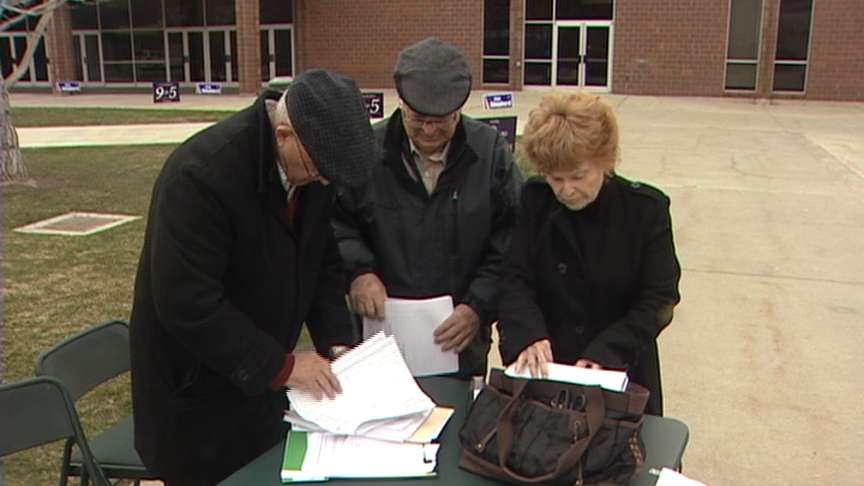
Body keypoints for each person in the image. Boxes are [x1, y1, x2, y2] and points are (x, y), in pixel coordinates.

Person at [129, 69, 378, 485]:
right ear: (283, 135)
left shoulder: (312, 164)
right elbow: (188, 303)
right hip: (195, 395)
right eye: (318, 168)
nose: (324, 180)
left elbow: (322, 262)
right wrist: (281, 366)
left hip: (256, 386)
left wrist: (337, 342)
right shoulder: (201, 177)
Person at [331, 37, 523, 377]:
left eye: (442, 119)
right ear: (401, 103)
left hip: (459, 340)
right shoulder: (365, 152)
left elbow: (512, 241)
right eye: (419, 118)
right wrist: (358, 272)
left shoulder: (490, 152)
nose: (430, 130)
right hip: (380, 339)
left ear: (459, 111)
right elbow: (336, 223)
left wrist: (478, 306)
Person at [498, 91, 681, 415]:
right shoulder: (536, 200)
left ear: (605, 161)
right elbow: (514, 277)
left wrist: (609, 351)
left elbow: (660, 299)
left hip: (620, 372)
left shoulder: (645, 211)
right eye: (556, 179)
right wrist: (527, 333)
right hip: (548, 371)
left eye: (578, 176)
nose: (566, 190)